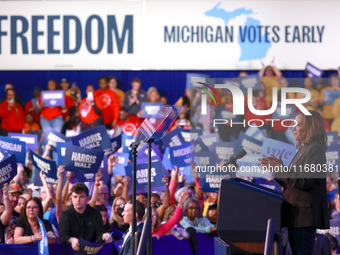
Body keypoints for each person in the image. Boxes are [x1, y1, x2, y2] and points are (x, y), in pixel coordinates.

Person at [259, 110, 330, 255]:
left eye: (297, 124)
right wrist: (279, 169)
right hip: (296, 216)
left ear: (310, 127)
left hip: (304, 217)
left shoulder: (315, 149)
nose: (293, 128)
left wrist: (280, 168)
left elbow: (304, 181)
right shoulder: (304, 148)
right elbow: (294, 181)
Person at [59, 183, 112, 251]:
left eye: (81, 197)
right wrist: (71, 240)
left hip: (91, 251)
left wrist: (104, 236)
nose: (78, 200)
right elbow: (63, 236)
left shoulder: (95, 213)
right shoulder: (65, 214)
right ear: (71, 198)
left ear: (87, 198)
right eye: (75, 197)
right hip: (71, 251)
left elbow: (99, 234)